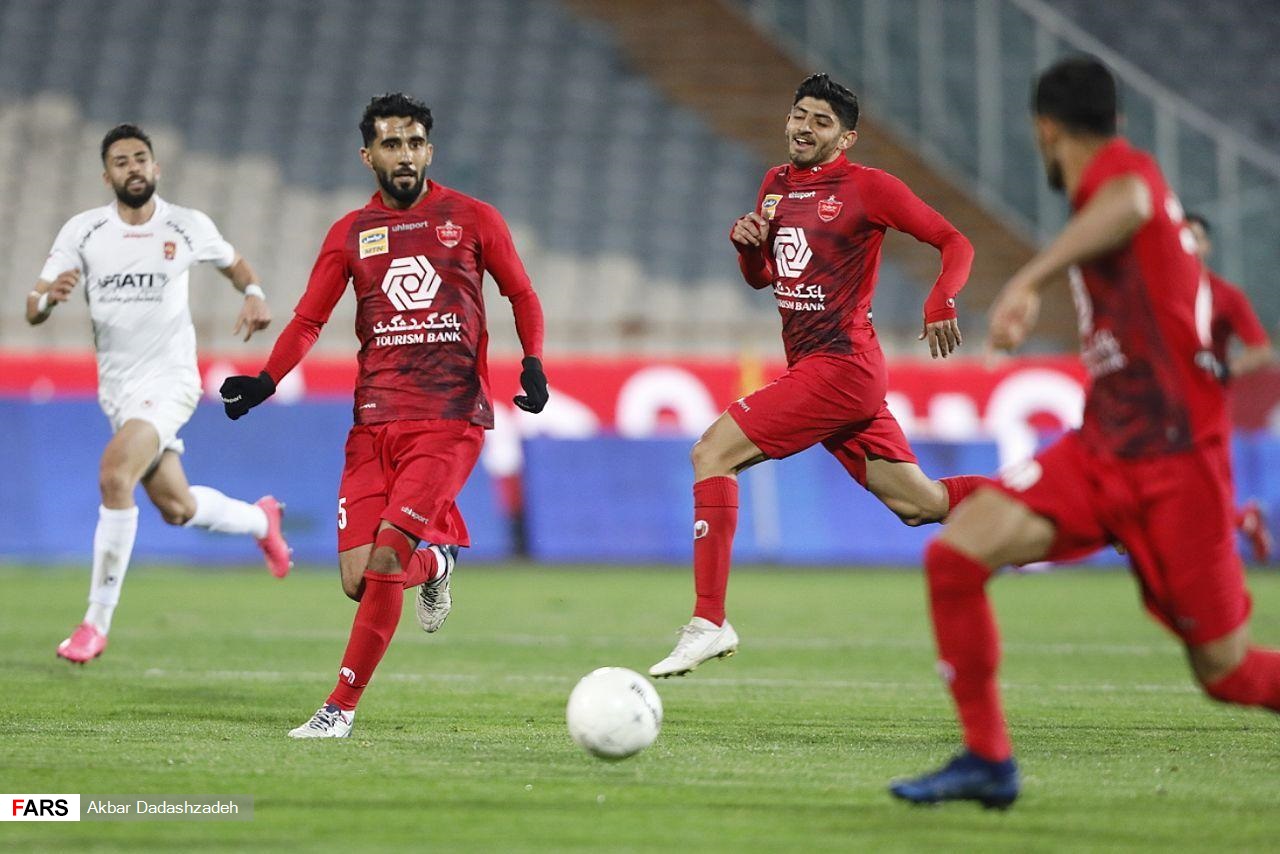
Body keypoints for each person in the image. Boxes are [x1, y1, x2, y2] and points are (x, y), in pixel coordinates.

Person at [890, 57, 1280, 809]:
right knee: (955, 557)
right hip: (1102, 454)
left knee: (1228, 674)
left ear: (1045, 129)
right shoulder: (1115, 200)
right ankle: (988, 759)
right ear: (1116, 118)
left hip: (1176, 469)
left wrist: (1027, 280)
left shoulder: (1122, 178)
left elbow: (1132, 200)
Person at [219, 93, 548, 738]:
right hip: (372, 424)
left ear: (430, 150)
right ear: (367, 155)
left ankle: (337, 710)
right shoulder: (350, 233)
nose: (405, 155)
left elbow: (521, 292)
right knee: (358, 579)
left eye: (415, 143)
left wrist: (533, 361)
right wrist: (264, 381)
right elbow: (308, 320)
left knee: (388, 561)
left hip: (449, 419)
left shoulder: (473, 217)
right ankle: (439, 564)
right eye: (391, 144)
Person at [649, 74, 985, 679]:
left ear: (846, 138)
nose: (804, 127)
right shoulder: (774, 185)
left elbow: (954, 241)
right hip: (818, 368)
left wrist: (941, 298)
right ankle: (1068, 508)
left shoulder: (869, 188)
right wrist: (747, 247)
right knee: (921, 503)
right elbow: (764, 277)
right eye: (799, 114)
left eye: (821, 121)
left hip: (843, 367)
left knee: (711, 453)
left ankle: (708, 621)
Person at [28, 124, 292, 665]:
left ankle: (94, 624)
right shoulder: (83, 231)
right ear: (107, 176)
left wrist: (254, 293)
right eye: (121, 161)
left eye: (140, 158)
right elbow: (33, 305)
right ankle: (262, 520)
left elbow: (233, 263)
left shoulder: (185, 225)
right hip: (118, 391)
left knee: (114, 475)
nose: (133, 167)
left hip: (171, 381)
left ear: (156, 167)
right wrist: (49, 299)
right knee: (177, 506)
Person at [1186, 212, 1273, 562]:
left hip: (1207, 408)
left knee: (1206, 487)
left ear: (1206, 246)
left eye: (1195, 237)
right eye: (1180, 236)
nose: (1187, 244)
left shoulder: (1224, 296)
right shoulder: (1152, 292)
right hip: (1160, 404)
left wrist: (1226, 369)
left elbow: (1261, 350)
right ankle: (1243, 520)